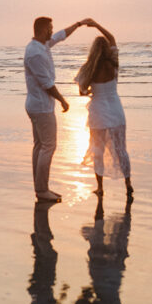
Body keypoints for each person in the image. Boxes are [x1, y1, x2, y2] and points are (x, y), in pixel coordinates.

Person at [24, 15, 87, 202]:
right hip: (41, 107)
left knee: (40, 146)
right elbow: (46, 84)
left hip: (37, 105)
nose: (52, 31)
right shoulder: (35, 53)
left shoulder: (41, 45)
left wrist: (78, 24)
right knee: (48, 146)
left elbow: (60, 36)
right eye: (50, 28)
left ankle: (40, 187)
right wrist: (62, 100)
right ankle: (42, 189)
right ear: (43, 30)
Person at [75, 19, 133, 200]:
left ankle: (100, 188)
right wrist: (96, 25)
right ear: (107, 49)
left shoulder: (87, 69)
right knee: (121, 149)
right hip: (116, 109)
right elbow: (113, 38)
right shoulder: (113, 64)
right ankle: (128, 184)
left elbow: (82, 92)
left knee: (98, 150)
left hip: (98, 112)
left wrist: (93, 89)